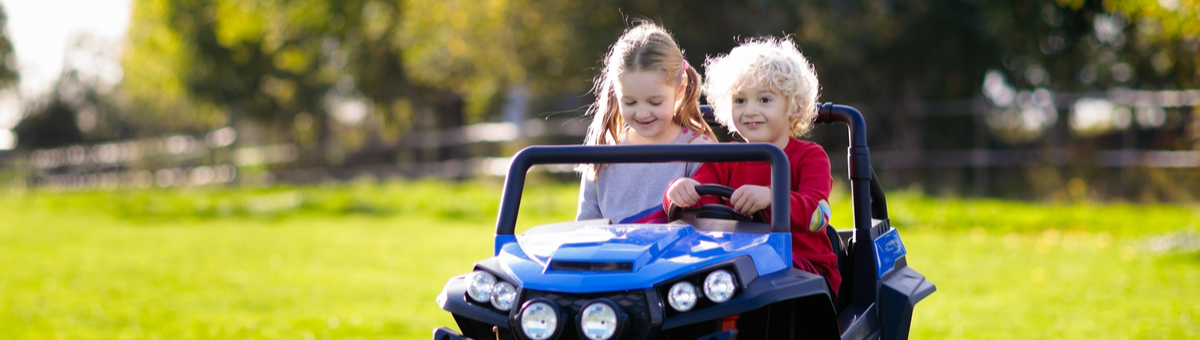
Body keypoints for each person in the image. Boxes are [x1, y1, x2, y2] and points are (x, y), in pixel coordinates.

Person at [663, 36, 839, 293]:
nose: (750, 111)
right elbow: (697, 197)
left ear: (795, 107)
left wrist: (772, 197)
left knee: (753, 270)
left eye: (765, 100)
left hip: (802, 269)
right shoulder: (724, 159)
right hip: (733, 264)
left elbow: (817, 216)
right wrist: (678, 192)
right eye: (740, 100)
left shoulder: (810, 157)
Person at [575, 21, 717, 224]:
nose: (642, 113)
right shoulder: (602, 151)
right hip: (612, 255)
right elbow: (586, 227)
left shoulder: (698, 150)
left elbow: (711, 226)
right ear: (616, 94)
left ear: (680, 88)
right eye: (630, 102)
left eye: (655, 102)